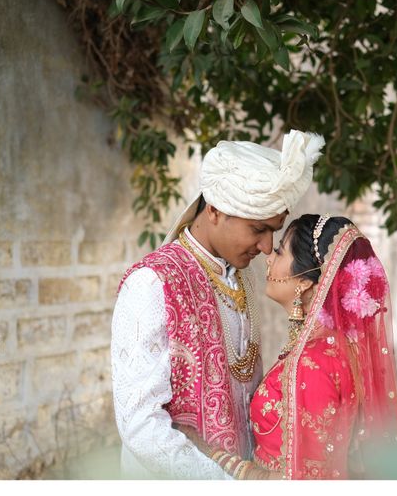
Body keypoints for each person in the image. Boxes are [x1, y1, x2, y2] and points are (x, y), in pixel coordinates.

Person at [110, 130, 325, 479]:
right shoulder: (151, 284)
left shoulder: (244, 275)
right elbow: (140, 425)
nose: (268, 247)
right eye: (258, 229)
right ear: (214, 211)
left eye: (274, 231)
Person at [182, 214, 397, 479]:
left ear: (304, 281)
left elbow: (305, 478)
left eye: (279, 252)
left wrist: (216, 456)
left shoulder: (313, 362)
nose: (269, 258)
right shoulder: (331, 349)